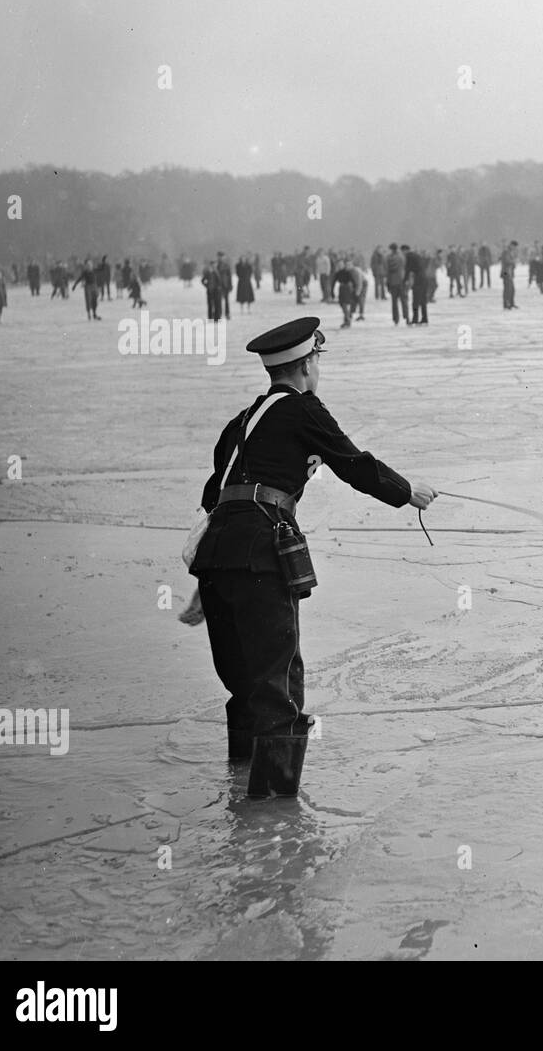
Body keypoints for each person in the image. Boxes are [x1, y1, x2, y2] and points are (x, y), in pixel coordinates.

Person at [189, 317, 438, 796]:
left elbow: (213, 499)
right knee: (277, 687)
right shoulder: (303, 410)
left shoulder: (238, 423)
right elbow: (354, 464)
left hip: (217, 560)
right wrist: (408, 491)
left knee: (244, 684)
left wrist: (202, 581)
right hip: (262, 554)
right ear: (307, 365)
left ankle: (243, 788)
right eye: (317, 361)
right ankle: (273, 814)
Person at [386, 243, 408, 325]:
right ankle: (406, 316)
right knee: (404, 301)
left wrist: (387, 283)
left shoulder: (389, 258)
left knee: (394, 302)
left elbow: (388, 270)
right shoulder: (402, 257)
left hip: (393, 282)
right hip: (401, 281)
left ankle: (396, 319)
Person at [501, 240, 518, 309]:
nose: (514, 248)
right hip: (506, 272)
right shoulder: (506, 251)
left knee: (512, 289)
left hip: (510, 272)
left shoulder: (510, 251)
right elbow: (506, 261)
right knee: (507, 289)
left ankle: (511, 303)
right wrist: (513, 261)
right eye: (514, 246)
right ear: (511, 245)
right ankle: (506, 303)